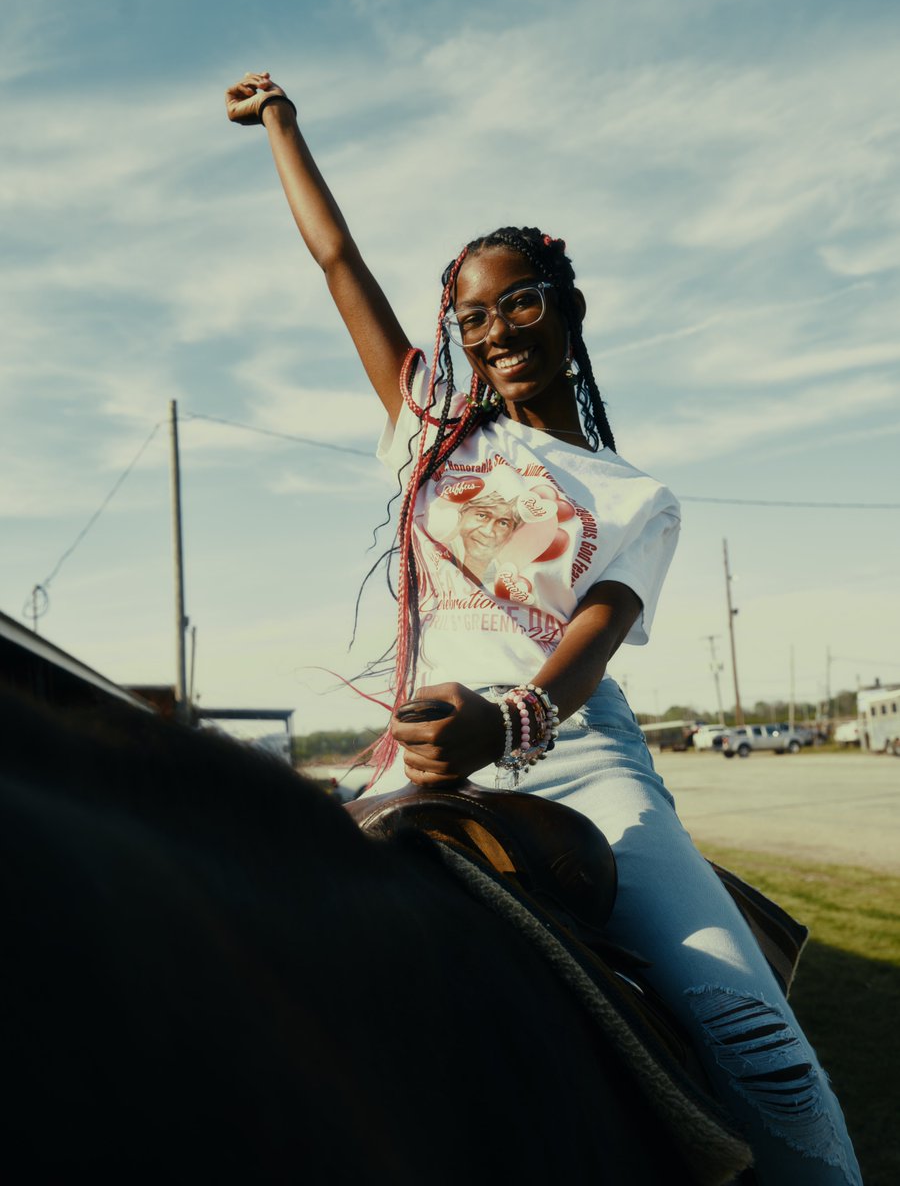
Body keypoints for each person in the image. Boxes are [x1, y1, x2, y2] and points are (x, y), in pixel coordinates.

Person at [226, 72, 862, 1185]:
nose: (496, 330)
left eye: (520, 301)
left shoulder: (636, 496)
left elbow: (590, 649)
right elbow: (339, 264)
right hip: (416, 757)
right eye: (472, 316)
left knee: (760, 1047)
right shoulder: (433, 430)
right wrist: (283, 125)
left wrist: (506, 720)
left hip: (583, 766)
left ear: (566, 306)